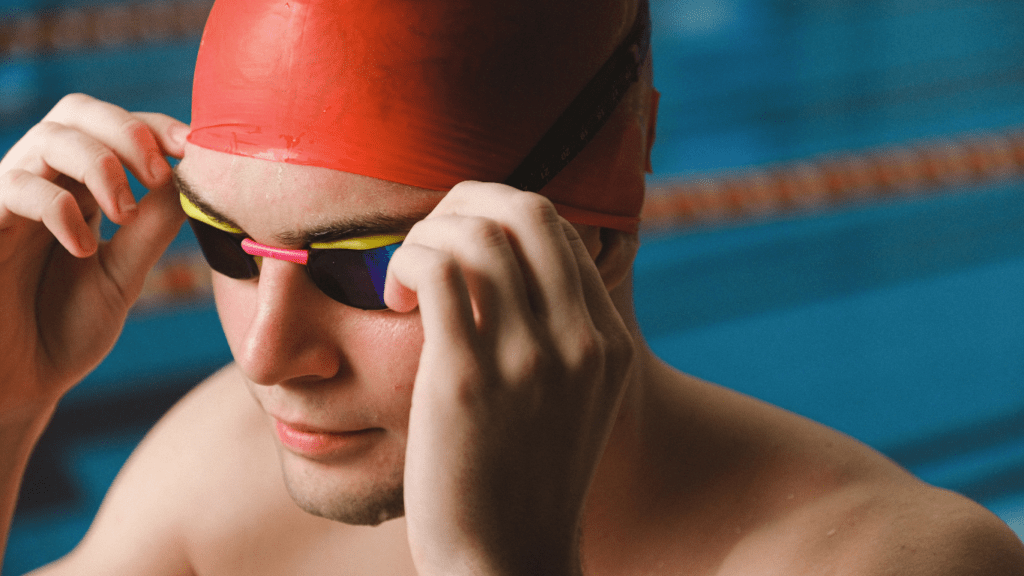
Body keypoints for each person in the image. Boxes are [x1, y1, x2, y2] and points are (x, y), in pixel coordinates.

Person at [2, 0, 1023, 574]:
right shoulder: (221, 466)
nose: (269, 355)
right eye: (225, 241)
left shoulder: (890, 564)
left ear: (594, 235)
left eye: (370, 263)